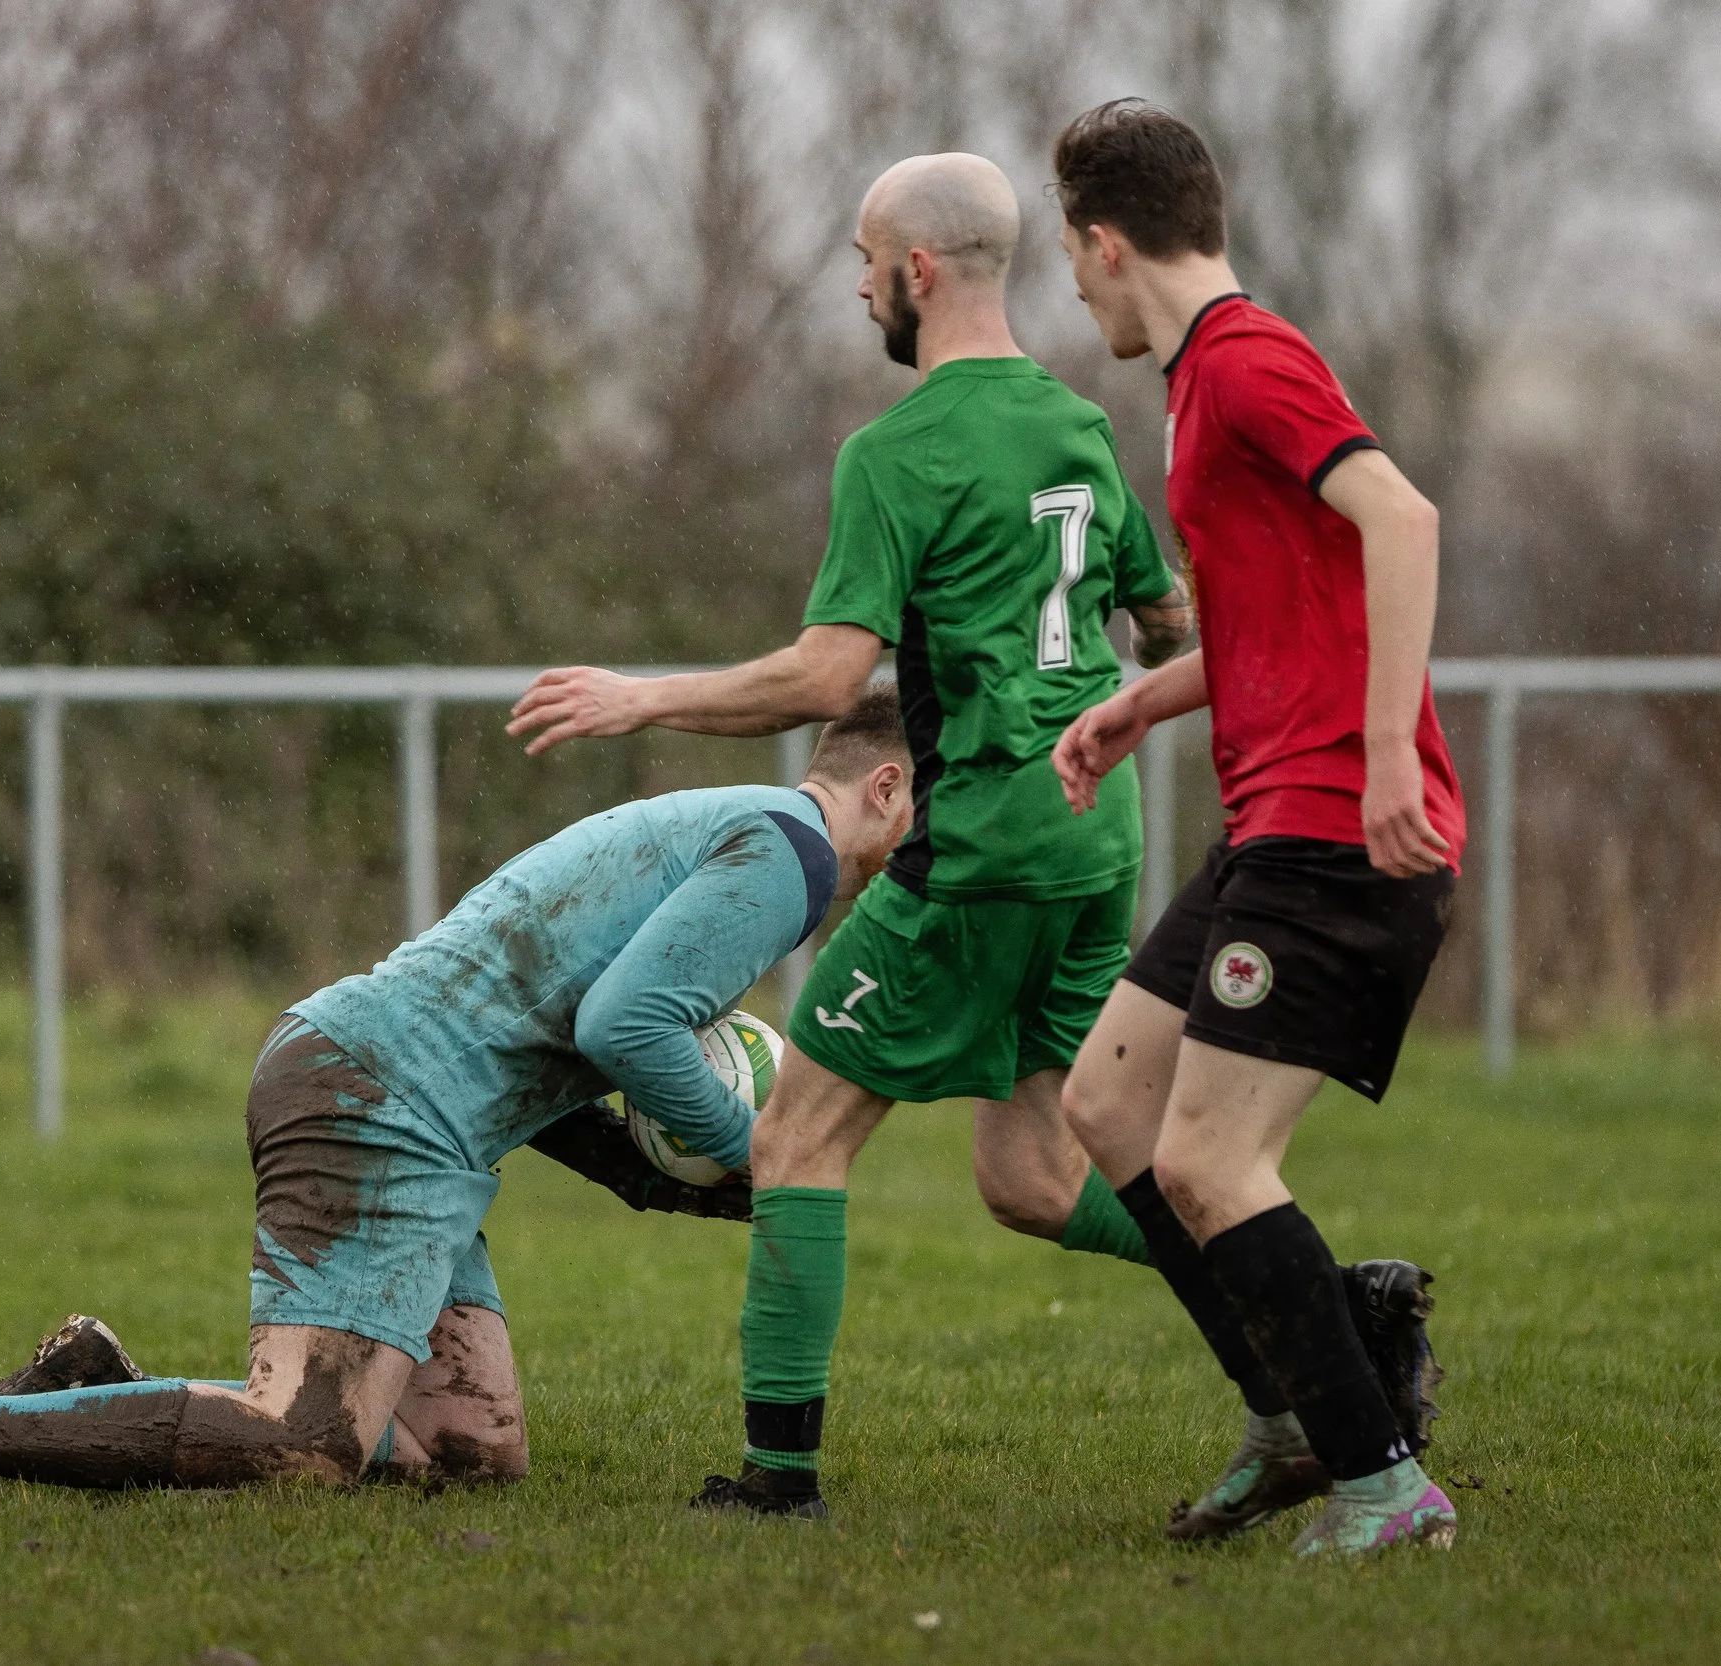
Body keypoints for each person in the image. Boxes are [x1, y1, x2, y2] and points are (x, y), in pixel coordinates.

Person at [508, 153, 1201, 1520]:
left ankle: (779, 1479)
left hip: (985, 843)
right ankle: (1319, 1308)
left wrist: (640, 697)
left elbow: (831, 681)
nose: (858, 283)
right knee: (1032, 1172)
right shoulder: (1075, 424)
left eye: (863, 259)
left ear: (919, 273)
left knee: (796, 1141)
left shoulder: (897, 452)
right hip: (1094, 837)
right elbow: (1167, 626)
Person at [0, 690, 913, 1496]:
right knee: (302, 1444)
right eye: (938, 823)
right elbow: (627, 1028)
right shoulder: (793, 856)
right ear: (890, 785)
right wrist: (762, 1156)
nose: (931, 859)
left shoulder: (731, 826)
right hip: (374, 1097)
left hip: (409, 1107)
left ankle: (98, 1391)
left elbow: (562, 1032)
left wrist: (650, 1182)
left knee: (465, 1450)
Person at [1047, 99, 1466, 1555]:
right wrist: (1141, 704)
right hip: (1271, 824)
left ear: (1106, 242)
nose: (1078, 289)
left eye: (1075, 261)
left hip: (1338, 836)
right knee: (1107, 1107)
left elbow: (1399, 520)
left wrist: (1390, 758)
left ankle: (1385, 1483)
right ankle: (1296, 1406)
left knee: (1214, 1164)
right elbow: (1283, 611)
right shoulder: (1199, 383)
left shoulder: (1246, 360)